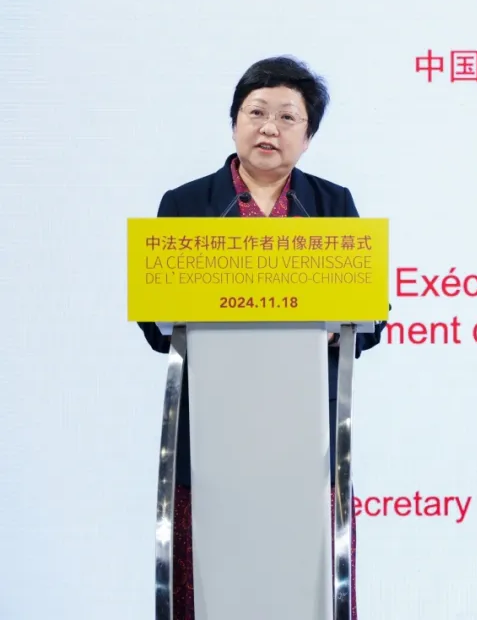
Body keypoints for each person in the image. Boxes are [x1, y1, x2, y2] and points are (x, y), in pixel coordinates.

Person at [136, 56, 384, 620]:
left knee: (306, 586)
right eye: (256, 113)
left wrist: (329, 327)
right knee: (211, 584)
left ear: (308, 136)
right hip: (211, 431)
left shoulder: (334, 206)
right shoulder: (184, 205)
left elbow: (370, 322)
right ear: (234, 124)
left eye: (287, 117)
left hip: (306, 436)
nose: (270, 128)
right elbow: (156, 325)